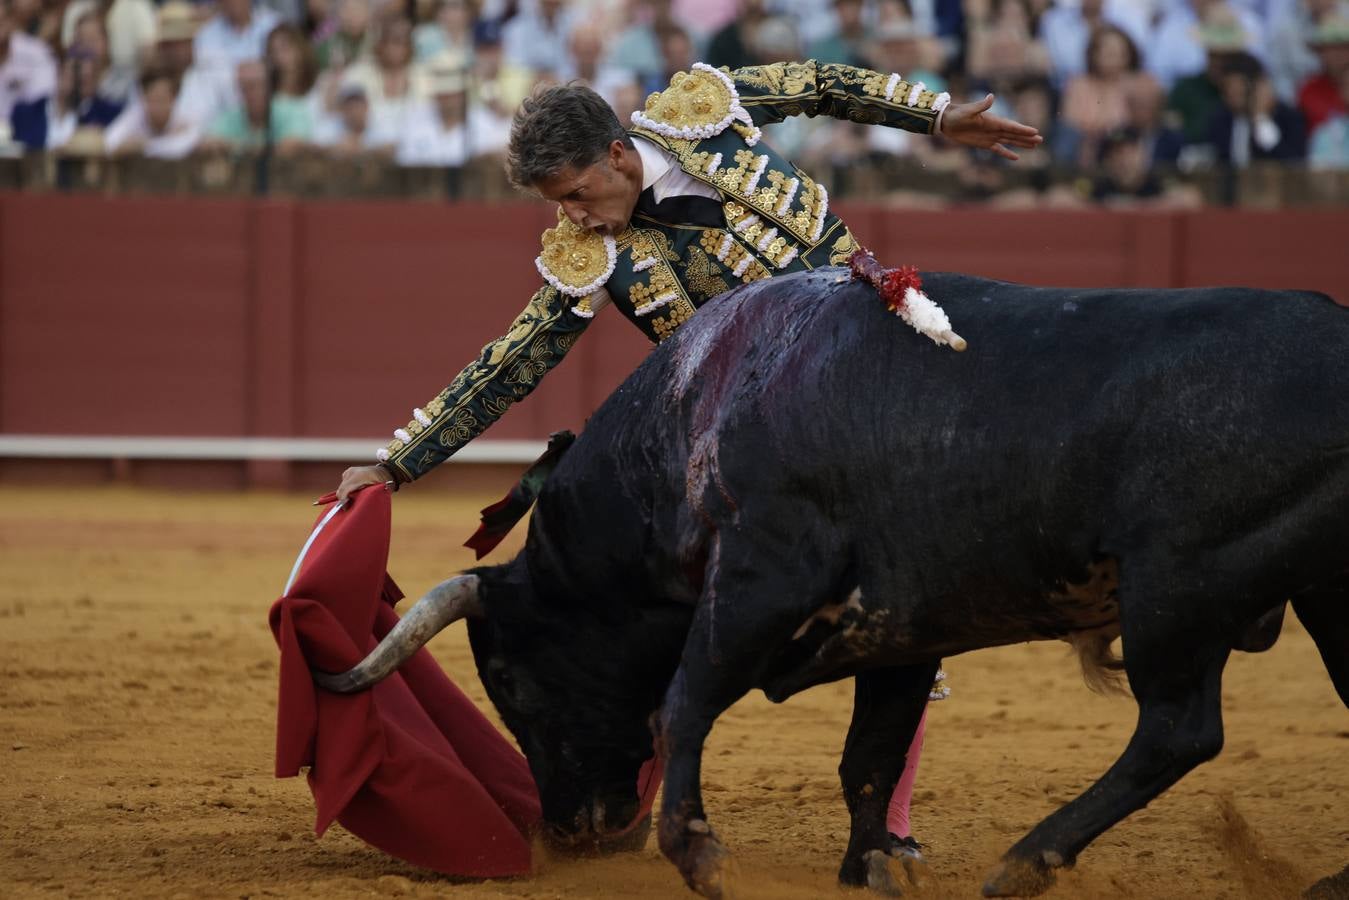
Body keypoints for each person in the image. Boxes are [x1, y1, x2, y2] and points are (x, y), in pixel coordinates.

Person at [334, 59, 1041, 859]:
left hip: (881, 386)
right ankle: (631, 787)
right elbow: (513, 361)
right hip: (768, 454)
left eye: (577, 194)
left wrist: (938, 118)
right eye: (558, 205)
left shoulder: (707, 111)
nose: (575, 218)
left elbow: (822, 85)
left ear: (620, 155)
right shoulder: (592, 257)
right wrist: (398, 463)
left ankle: (890, 828)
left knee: (908, 604)